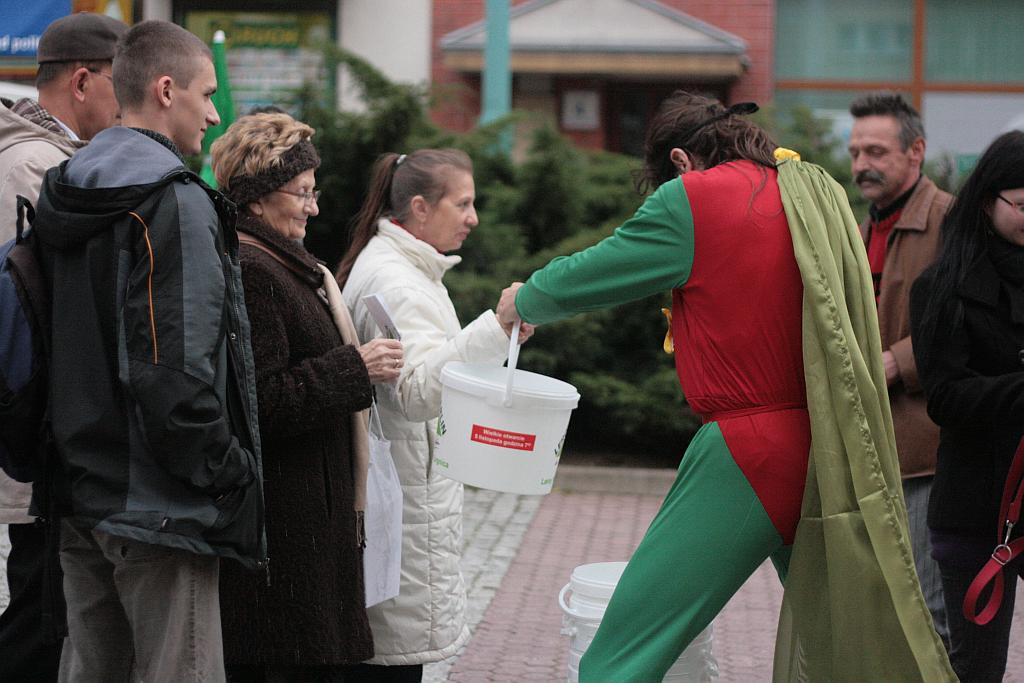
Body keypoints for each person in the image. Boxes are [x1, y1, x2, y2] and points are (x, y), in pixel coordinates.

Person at [496, 91, 954, 682]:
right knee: (849, 650)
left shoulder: (696, 198)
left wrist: (523, 298)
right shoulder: (811, 189)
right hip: (829, 445)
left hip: (748, 447)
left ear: (683, 162)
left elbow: (592, 272)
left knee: (622, 651)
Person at [31, 20, 264, 682]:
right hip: (161, 504)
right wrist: (229, 471)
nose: (216, 114)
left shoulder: (65, 186)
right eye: (208, 93)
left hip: (79, 490)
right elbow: (180, 371)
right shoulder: (174, 201)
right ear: (167, 90)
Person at [210, 112, 404, 682]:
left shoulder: (287, 265)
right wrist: (355, 366)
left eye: (313, 193)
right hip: (285, 527)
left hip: (304, 516)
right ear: (258, 197)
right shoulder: (254, 269)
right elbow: (262, 401)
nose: (314, 208)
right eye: (302, 193)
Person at [338, 149, 531, 682]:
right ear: (420, 208)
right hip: (404, 501)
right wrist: (496, 325)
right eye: (463, 204)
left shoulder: (404, 269)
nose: (474, 218)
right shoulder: (398, 283)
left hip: (404, 493)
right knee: (390, 663)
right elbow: (418, 392)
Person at [0, 12, 126, 682]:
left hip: (43, 432)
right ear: (82, 81)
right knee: (41, 619)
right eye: (121, 85)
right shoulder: (34, 167)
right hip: (42, 434)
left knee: (45, 608)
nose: (130, 104)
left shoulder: (42, 157)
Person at [909, 130, 1024, 683]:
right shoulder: (943, 287)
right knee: (977, 667)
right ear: (988, 202)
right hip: (975, 509)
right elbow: (947, 398)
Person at [848, 92, 952, 646]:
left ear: (916, 151)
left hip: (928, 453)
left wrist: (900, 361)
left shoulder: (951, 219)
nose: (862, 163)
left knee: (927, 614)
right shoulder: (863, 226)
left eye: (877, 151)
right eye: (855, 150)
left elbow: (975, 324)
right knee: (883, 607)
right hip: (873, 448)